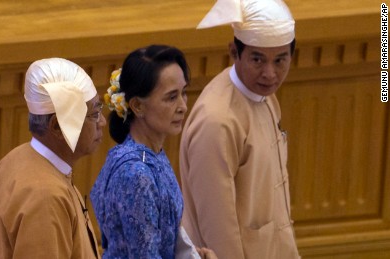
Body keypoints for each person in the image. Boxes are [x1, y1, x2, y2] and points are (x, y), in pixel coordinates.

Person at [179, 0, 300, 258]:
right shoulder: (217, 121)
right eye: (258, 59)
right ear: (234, 52)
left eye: (280, 60)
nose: (270, 73)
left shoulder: (265, 96)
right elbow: (218, 228)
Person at [90, 45, 216, 259]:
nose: (183, 106)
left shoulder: (149, 155)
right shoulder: (136, 174)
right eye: (171, 97)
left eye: (183, 93)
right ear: (137, 106)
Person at [0, 58, 105, 259]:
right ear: (56, 126)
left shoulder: (17, 157)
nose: (103, 122)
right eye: (94, 114)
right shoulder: (46, 196)